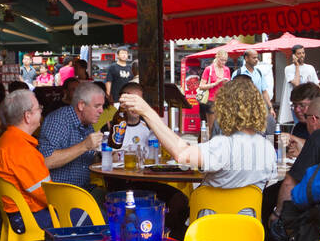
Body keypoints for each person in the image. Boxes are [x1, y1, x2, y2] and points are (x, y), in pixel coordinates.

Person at [119, 75, 277, 192]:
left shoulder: (223, 145)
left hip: (209, 226)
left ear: (225, 107)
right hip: (250, 226)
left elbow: (181, 154)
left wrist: (147, 112)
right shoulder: (268, 148)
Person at [269, 96, 320, 222]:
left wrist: (277, 214)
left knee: (270, 197)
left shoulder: (319, 137)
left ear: (313, 119)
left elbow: (290, 183)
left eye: (306, 116)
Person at [0, 89, 55, 232]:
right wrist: (69, 202)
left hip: (12, 215)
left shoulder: (3, 141)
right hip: (26, 218)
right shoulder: (22, 150)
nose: (41, 111)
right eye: (39, 108)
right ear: (28, 116)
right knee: (92, 216)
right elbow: (46, 194)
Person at [39, 81, 106, 190]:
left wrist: (105, 156)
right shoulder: (58, 120)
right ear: (81, 105)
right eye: (97, 106)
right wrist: (85, 145)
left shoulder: (87, 123)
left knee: (116, 199)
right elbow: (46, 160)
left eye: (102, 106)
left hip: (83, 190)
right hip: (60, 194)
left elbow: (84, 159)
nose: (101, 111)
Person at [278, 43, 320, 126]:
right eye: (299, 53)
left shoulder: (310, 68)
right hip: (296, 105)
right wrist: (297, 66)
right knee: (299, 125)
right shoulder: (288, 69)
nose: (302, 55)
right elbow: (296, 84)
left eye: (303, 53)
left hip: (309, 104)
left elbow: (317, 85)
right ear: (294, 55)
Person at [106, 82, 153, 154]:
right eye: (132, 101)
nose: (136, 106)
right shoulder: (110, 127)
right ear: (122, 102)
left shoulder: (149, 127)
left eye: (139, 102)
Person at [284, 81, 320, 159]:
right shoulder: (299, 127)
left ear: (315, 104)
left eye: (302, 105)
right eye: (294, 105)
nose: (297, 110)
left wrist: (294, 138)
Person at [197, 49, 232, 121]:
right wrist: (215, 84)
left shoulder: (227, 69)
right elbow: (201, 86)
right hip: (211, 100)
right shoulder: (209, 69)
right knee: (212, 127)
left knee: (222, 126)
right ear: (217, 58)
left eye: (225, 60)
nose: (223, 62)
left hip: (223, 100)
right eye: (221, 60)